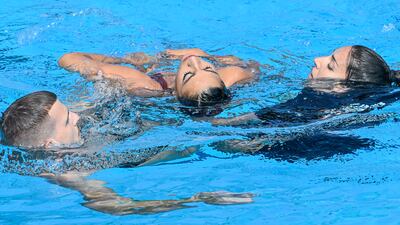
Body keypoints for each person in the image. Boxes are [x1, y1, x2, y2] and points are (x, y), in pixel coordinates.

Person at [0, 91, 254, 215]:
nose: (77, 117)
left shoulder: (56, 136)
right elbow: (119, 207)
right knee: (229, 139)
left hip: (134, 135)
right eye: (68, 120)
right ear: (50, 144)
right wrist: (198, 199)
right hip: (173, 148)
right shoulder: (68, 173)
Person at [212, 45, 400, 126]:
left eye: (330, 65)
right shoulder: (378, 97)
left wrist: (211, 121)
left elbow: (237, 123)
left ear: (341, 87)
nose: (318, 60)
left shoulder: (314, 101)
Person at [58, 48, 259, 107]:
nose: (194, 61)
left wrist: (121, 60)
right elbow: (253, 68)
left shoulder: (147, 85)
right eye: (208, 68)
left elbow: (68, 59)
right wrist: (211, 56)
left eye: (188, 74)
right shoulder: (224, 79)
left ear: (177, 92)